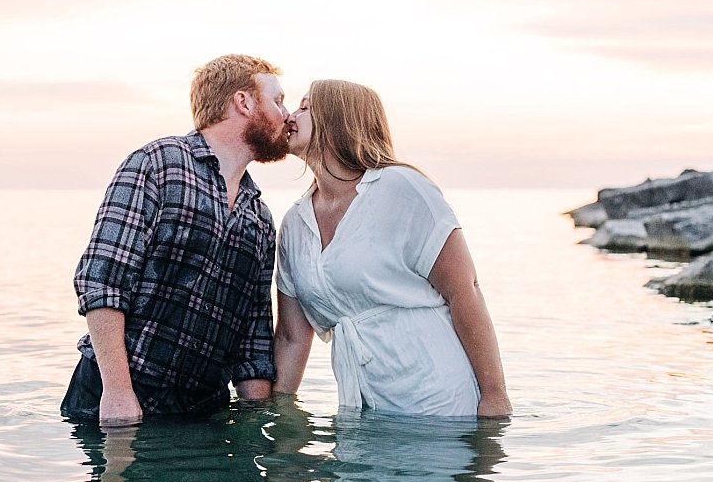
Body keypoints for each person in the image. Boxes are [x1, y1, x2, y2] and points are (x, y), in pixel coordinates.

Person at [62, 54, 291, 426]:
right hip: (116, 400)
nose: (286, 114)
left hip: (204, 414)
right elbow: (102, 282)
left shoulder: (260, 216)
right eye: (277, 100)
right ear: (244, 102)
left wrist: (258, 424)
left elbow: (254, 333)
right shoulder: (157, 164)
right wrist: (119, 393)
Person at [272, 80, 512, 418]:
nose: (290, 116)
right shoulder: (295, 224)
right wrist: (274, 416)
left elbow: (465, 290)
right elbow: (291, 338)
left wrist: (495, 399)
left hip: (440, 403)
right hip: (362, 413)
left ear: (337, 117)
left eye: (305, 106)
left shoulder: (402, 188)